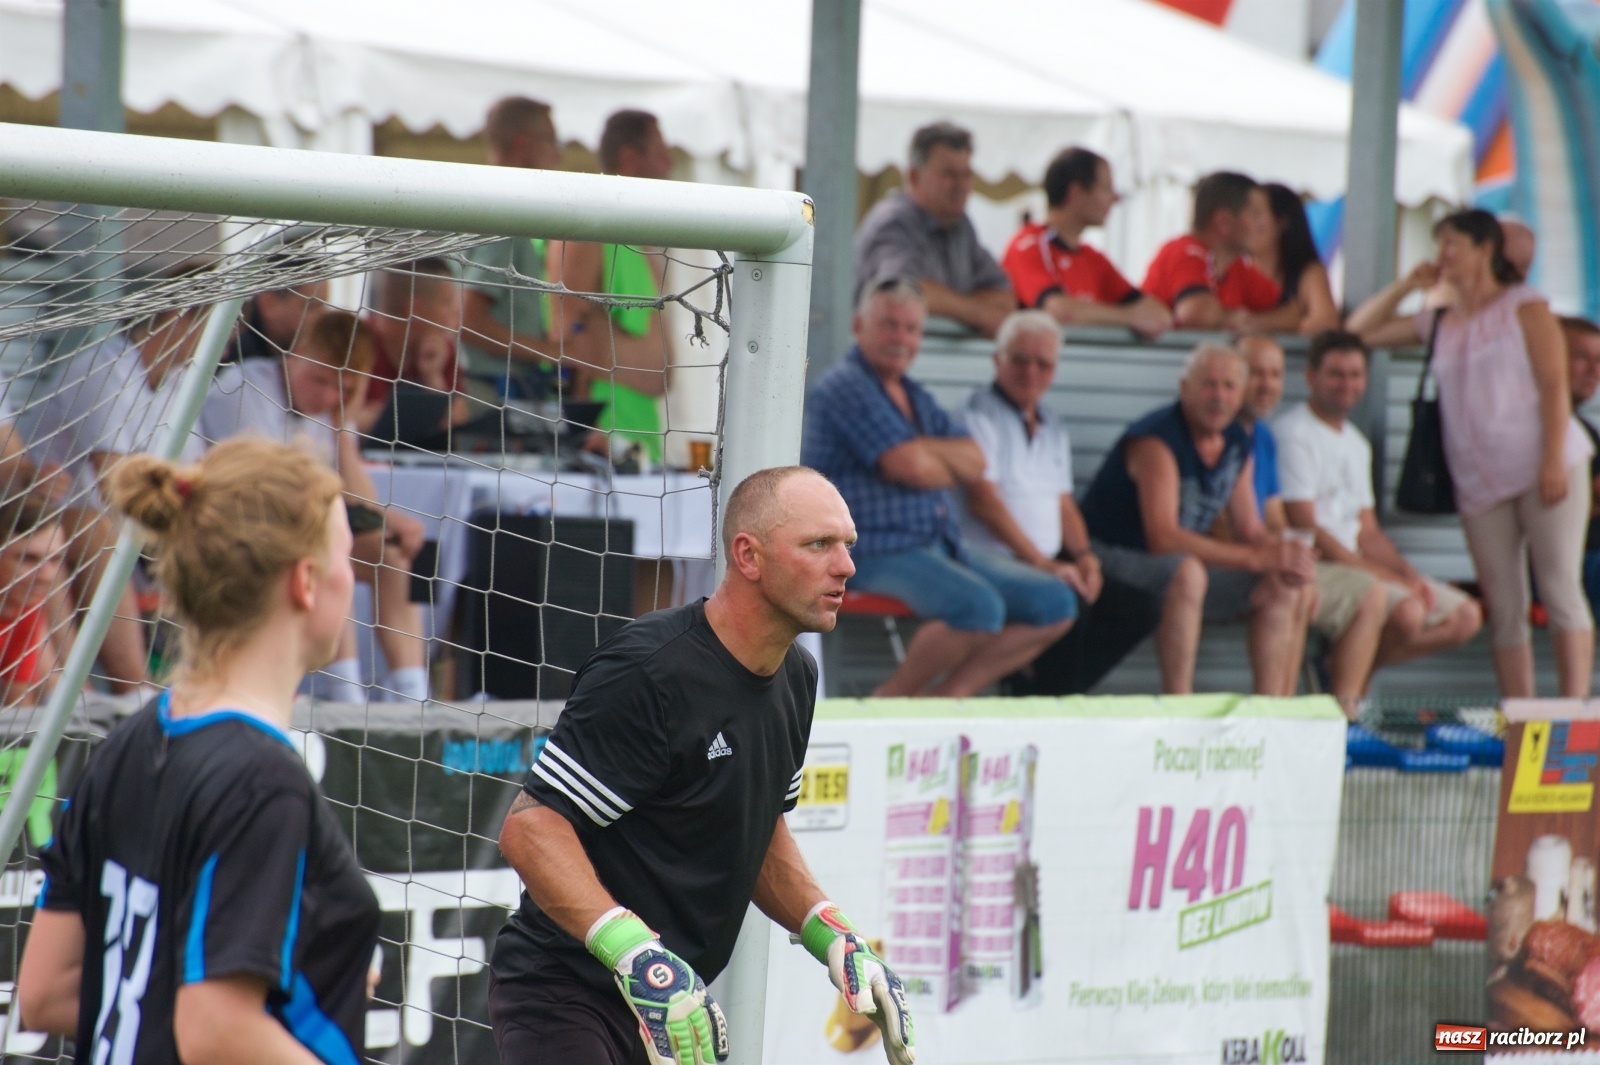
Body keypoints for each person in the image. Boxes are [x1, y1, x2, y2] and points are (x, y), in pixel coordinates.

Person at [489, 466, 914, 1065]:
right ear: (748, 556)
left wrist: (833, 933)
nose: (845, 566)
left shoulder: (798, 675)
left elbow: (757, 828)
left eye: (848, 544)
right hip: (565, 995)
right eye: (819, 544)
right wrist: (635, 953)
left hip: (675, 1006)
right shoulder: (647, 670)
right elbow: (530, 828)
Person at [17, 438, 380, 1065]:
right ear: (305, 581)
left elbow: (45, 992)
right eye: (345, 556)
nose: (353, 577)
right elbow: (215, 1029)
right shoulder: (262, 781)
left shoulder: (129, 742)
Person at [1350, 209, 1592, 697]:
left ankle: (1574, 709)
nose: (1442, 256)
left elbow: (1554, 384)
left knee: (1559, 586)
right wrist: (1406, 285)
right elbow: (1357, 332)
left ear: (1485, 249)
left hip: (1545, 464)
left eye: (1452, 245)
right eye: (1439, 246)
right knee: (1504, 604)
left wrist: (1551, 457)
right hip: (1478, 479)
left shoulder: (1525, 306)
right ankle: (1519, 713)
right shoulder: (1442, 320)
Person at [802, 280, 1076, 697]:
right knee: (977, 608)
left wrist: (921, 452)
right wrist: (927, 458)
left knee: (1056, 602)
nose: (901, 338)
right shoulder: (846, 386)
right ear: (858, 325)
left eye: (912, 329)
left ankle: (948, 699)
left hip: (937, 544)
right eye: (889, 324)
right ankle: (887, 705)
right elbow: (909, 467)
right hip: (869, 549)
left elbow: (976, 460)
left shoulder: (912, 393)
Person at [200, 310, 431, 702]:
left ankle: (413, 695)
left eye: (343, 388)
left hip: (305, 527)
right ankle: (345, 694)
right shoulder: (245, 388)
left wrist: (342, 428)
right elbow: (266, 490)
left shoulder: (332, 410)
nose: (327, 397)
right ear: (296, 355)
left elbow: (359, 501)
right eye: (320, 380)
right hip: (242, 528)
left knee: (393, 556)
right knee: (328, 550)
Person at [1078, 344, 1315, 695]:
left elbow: (1249, 528)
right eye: (1209, 385)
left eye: (1229, 386)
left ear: (1241, 393)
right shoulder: (1156, 439)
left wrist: (1288, 557)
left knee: (1283, 581)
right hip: (1108, 558)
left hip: (1175, 567)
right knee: (1188, 572)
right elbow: (1163, 538)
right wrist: (1254, 557)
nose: (1219, 396)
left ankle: (1271, 709)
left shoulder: (1238, 440)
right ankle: (1180, 703)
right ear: (1184, 388)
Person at [1275, 331, 1482, 711]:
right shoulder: (1293, 433)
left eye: (1355, 375)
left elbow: (1368, 531)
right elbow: (1306, 525)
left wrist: (1407, 573)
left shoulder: (1356, 443)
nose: (1347, 384)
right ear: (1311, 376)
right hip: (1319, 563)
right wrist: (1386, 577)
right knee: (1407, 611)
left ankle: (1338, 670)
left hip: (1356, 564)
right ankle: (1346, 709)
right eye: (1336, 374)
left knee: (1465, 616)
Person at [549, 109, 674, 464]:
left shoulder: (639, 233)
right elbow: (565, 333)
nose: (669, 165)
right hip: (603, 432)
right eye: (660, 153)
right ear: (630, 158)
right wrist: (583, 426)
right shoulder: (589, 225)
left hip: (641, 427)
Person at [957, 310, 1102, 604]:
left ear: (1055, 370)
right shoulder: (976, 413)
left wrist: (1084, 556)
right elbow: (983, 501)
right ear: (997, 360)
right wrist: (1042, 564)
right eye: (1020, 360)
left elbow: (1064, 504)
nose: (1031, 372)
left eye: (1043, 364)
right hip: (991, 558)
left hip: (1041, 560)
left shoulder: (1053, 423)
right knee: (1061, 602)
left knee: (1125, 601)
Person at [854, 122, 1014, 338]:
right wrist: (980, 315)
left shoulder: (961, 227)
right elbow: (902, 293)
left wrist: (946, 303)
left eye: (966, 175)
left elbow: (1005, 299)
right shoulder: (893, 223)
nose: (961, 185)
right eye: (949, 174)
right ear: (914, 176)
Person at [999, 147, 1171, 337]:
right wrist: (1131, 318)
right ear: (1076, 193)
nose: (1115, 198)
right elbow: (1061, 313)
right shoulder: (1027, 245)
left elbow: (1159, 315)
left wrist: (1094, 314)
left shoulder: (1092, 257)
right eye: (1106, 188)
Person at [461, 97, 563, 390]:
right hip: (490, 390)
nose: (559, 156)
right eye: (551, 141)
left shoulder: (484, 199)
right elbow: (468, 319)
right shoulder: (500, 211)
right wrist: (555, 353)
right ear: (524, 143)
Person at [1141, 172, 1301, 333]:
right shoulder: (1185, 252)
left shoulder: (1236, 267)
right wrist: (1233, 317)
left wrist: (1250, 322)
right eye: (1255, 215)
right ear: (1223, 222)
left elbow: (1294, 314)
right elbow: (1197, 315)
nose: (1264, 224)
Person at [358, 257, 477, 434]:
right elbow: (348, 422)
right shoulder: (357, 341)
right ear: (415, 309)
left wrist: (433, 378)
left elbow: (459, 419)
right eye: (446, 302)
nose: (454, 312)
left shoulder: (440, 348)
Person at [0, 491, 68, 706]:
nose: (46, 576)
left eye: (55, 560)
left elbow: (19, 707)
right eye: (28, 559)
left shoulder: (26, 608)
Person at [1249, 184, 1340, 336]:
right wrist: (1287, 320)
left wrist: (1256, 323)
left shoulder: (1309, 273)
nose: (1245, 224)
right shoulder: (1233, 268)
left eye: (1256, 215)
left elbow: (1326, 323)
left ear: (1282, 222)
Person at [1562, 317, 1600, 618]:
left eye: (1599, 361)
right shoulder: (1534, 427)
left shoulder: (1584, 428)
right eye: (1581, 357)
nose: (1594, 371)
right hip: (1569, 566)